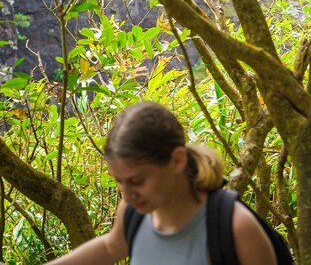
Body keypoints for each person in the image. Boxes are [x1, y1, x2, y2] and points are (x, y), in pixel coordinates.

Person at [48, 101, 276, 265]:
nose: (127, 194)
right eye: (119, 181)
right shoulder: (132, 213)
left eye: (137, 181)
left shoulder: (236, 228)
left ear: (177, 160)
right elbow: (111, 248)